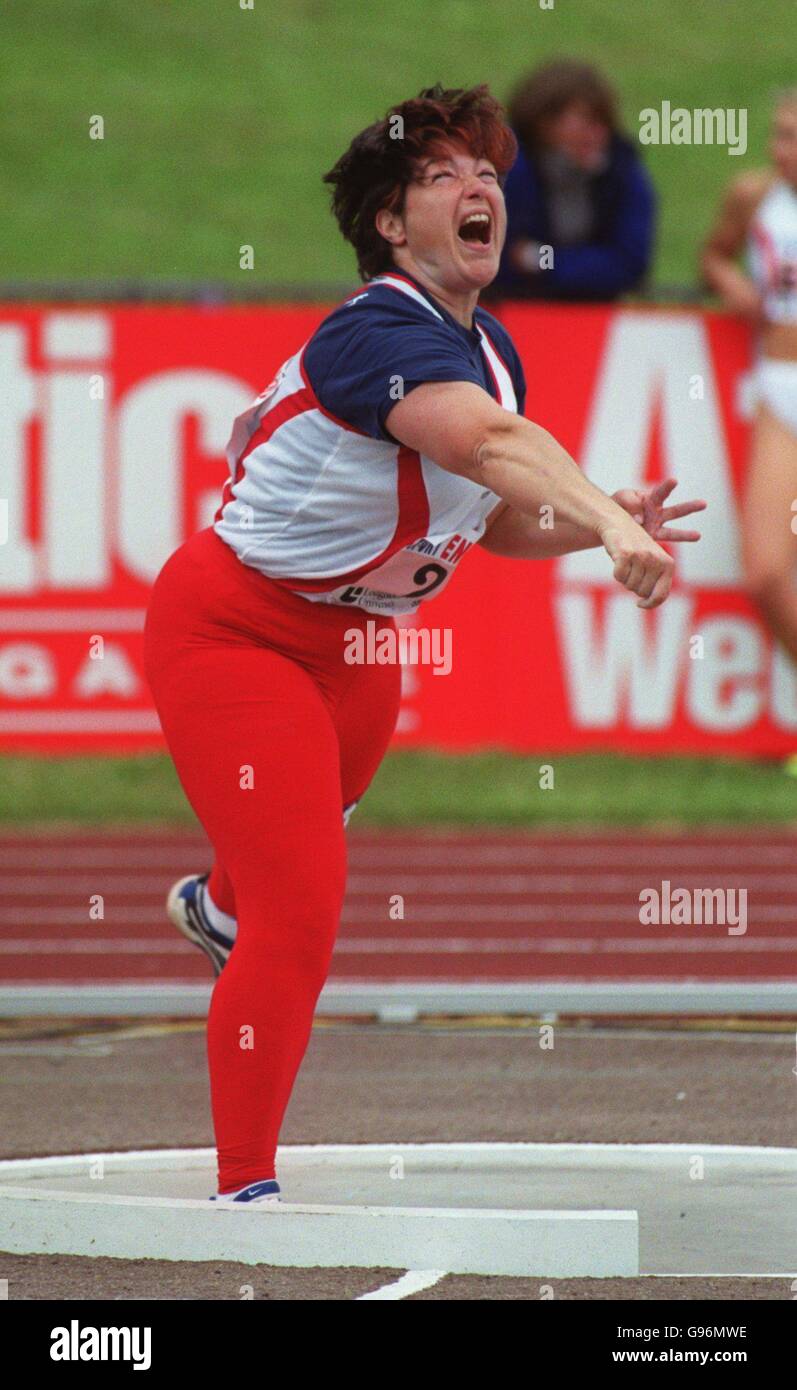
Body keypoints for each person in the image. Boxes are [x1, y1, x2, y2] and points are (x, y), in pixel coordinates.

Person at [143, 84, 703, 1206]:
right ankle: (243, 1192)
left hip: (360, 653)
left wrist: (601, 523)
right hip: (233, 629)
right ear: (391, 227)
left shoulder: (488, 347)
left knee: (273, 891)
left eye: (487, 172)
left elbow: (489, 513)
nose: (479, 185)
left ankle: (218, 905)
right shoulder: (371, 330)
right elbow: (491, 444)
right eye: (443, 174)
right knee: (303, 911)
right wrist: (595, 510)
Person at [701, 90, 797, 670]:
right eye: (779, 134)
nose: (783, 150)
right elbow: (715, 254)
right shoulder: (755, 195)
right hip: (780, 385)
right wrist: (731, 283)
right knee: (763, 571)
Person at [491, 60, 655, 301]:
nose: (598, 133)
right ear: (544, 122)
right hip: (513, 312)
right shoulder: (506, 168)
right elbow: (499, 256)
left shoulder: (622, 172)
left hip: (595, 320)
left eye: (603, 122)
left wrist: (542, 258)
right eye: (586, 121)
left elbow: (628, 263)